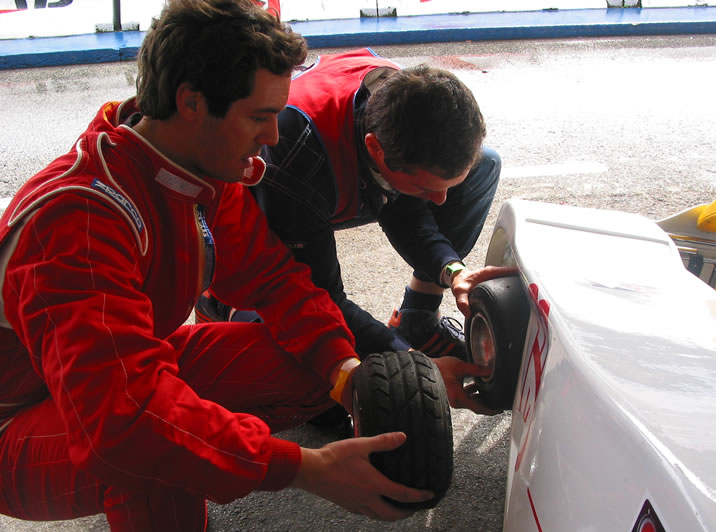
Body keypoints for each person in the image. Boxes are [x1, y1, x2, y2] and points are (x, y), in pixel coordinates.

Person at [0, 2, 481, 532]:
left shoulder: (194, 172)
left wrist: (351, 376)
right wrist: (305, 469)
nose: (275, 137)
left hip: (118, 370)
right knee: (152, 445)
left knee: (307, 366)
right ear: (192, 101)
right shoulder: (79, 221)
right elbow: (123, 422)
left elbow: (276, 283)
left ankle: (184, 480)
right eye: (261, 116)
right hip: (16, 423)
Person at [194, 48, 510, 362]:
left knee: (484, 165)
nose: (441, 202)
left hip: (334, 169)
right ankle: (220, 305)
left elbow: (404, 209)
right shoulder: (293, 157)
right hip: (249, 232)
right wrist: (409, 362)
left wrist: (453, 270)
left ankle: (418, 318)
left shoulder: (398, 95)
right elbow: (321, 300)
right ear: (376, 150)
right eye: (426, 188)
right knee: (306, 362)